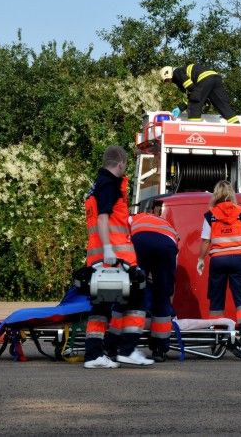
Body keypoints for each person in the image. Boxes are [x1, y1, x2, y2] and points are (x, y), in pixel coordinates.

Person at [83, 145, 154, 368]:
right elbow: (104, 219)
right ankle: (124, 349)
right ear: (121, 163)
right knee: (136, 298)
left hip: (101, 258)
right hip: (116, 259)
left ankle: (98, 354)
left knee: (102, 307)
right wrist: (108, 249)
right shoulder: (110, 185)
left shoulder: (97, 185)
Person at [197, 180, 241, 346]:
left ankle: (218, 334)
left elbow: (205, 241)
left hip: (218, 260)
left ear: (216, 194)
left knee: (217, 298)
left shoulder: (210, 215)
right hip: (239, 258)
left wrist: (201, 259)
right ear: (231, 194)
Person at [129, 202, 179, 363]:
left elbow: (123, 244)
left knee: (135, 291)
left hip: (140, 240)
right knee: (163, 296)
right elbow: (173, 262)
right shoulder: (167, 224)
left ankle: (128, 345)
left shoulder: (133, 219)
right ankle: (159, 349)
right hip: (168, 244)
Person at [159, 64, 240, 124]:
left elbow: (190, 87)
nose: (168, 82)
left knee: (194, 105)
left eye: (167, 80)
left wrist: (183, 106)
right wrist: (203, 98)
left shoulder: (177, 72)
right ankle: (236, 126)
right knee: (222, 104)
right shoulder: (183, 71)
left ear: (168, 73)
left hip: (204, 79)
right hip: (216, 78)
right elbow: (193, 92)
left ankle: (194, 129)